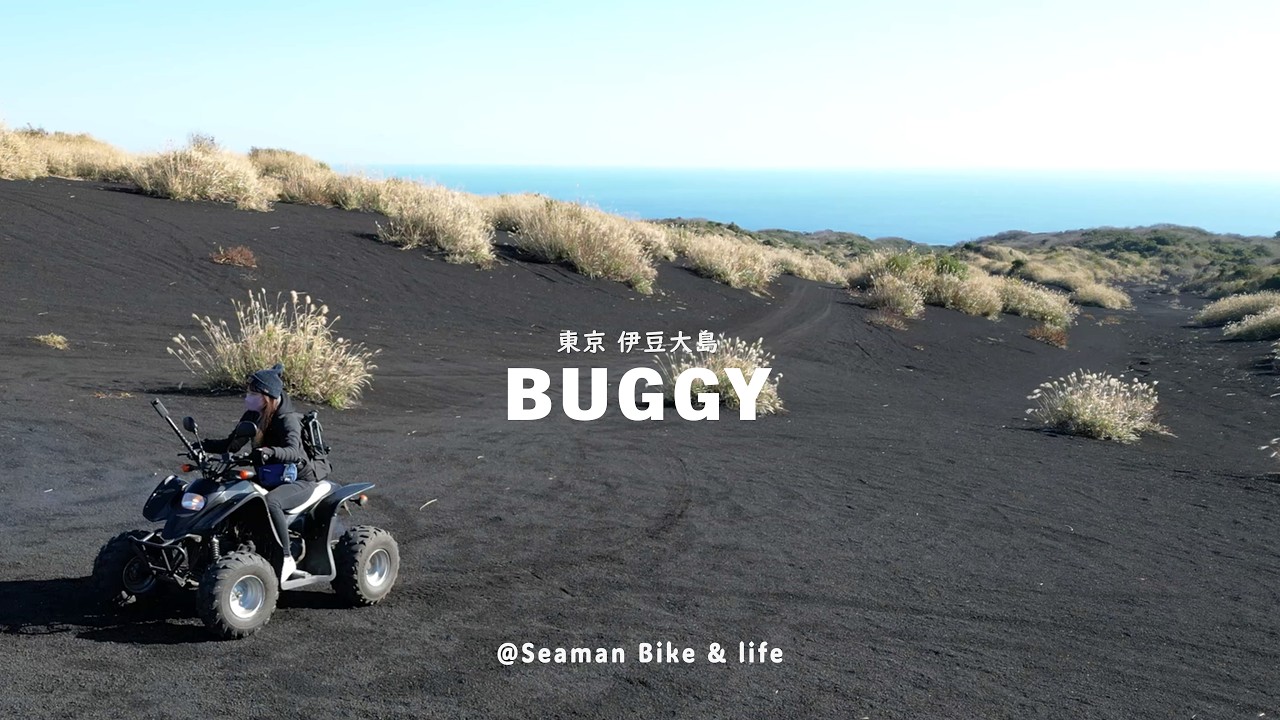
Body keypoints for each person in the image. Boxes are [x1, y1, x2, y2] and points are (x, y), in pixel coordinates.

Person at [200, 363, 317, 580]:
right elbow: (231, 445)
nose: (248, 397)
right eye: (248, 392)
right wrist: (202, 445)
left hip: (297, 480)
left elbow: (294, 452)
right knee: (234, 495)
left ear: (267, 396)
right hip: (268, 477)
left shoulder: (287, 419)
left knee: (271, 503)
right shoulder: (253, 414)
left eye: (253, 393)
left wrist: (269, 452)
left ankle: (286, 559)